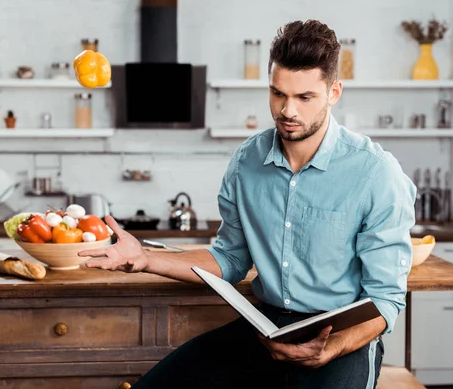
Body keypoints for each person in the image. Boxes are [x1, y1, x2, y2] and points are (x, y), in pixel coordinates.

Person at [79, 19, 417, 389]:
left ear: (334, 92)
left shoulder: (375, 172)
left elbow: (385, 299)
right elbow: (230, 258)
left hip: (341, 335)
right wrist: (145, 258)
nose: (288, 110)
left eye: (305, 98)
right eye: (278, 93)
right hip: (266, 326)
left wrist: (330, 347)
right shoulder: (246, 161)